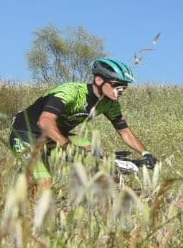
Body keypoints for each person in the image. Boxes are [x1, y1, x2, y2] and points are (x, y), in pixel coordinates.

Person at [9, 58, 156, 185]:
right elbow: (45, 122)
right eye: (117, 85)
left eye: (124, 87)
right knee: (44, 183)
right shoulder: (70, 92)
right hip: (25, 133)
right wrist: (67, 146)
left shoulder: (110, 104)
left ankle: (105, 196)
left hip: (54, 135)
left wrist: (146, 153)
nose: (121, 90)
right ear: (99, 80)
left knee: (96, 154)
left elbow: (124, 131)